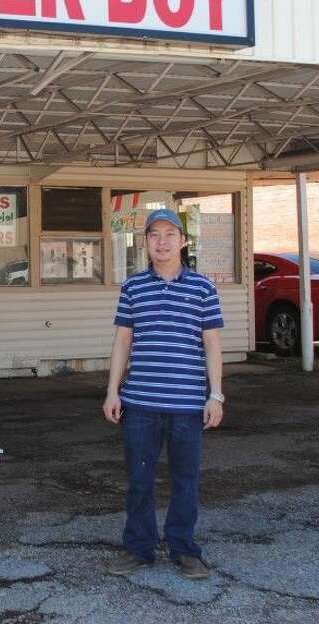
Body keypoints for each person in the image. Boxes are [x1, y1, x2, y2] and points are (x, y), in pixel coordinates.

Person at [103, 208, 225, 581]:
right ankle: (139, 548)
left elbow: (212, 344)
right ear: (145, 243)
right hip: (139, 405)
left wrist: (216, 395)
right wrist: (112, 392)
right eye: (154, 235)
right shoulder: (133, 288)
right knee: (139, 482)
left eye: (170, 234)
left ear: (183, 241)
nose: (162, 242)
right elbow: (122, 341)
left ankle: (184, 549)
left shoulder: (203, 288)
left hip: (188, 406)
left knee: (185, 482)